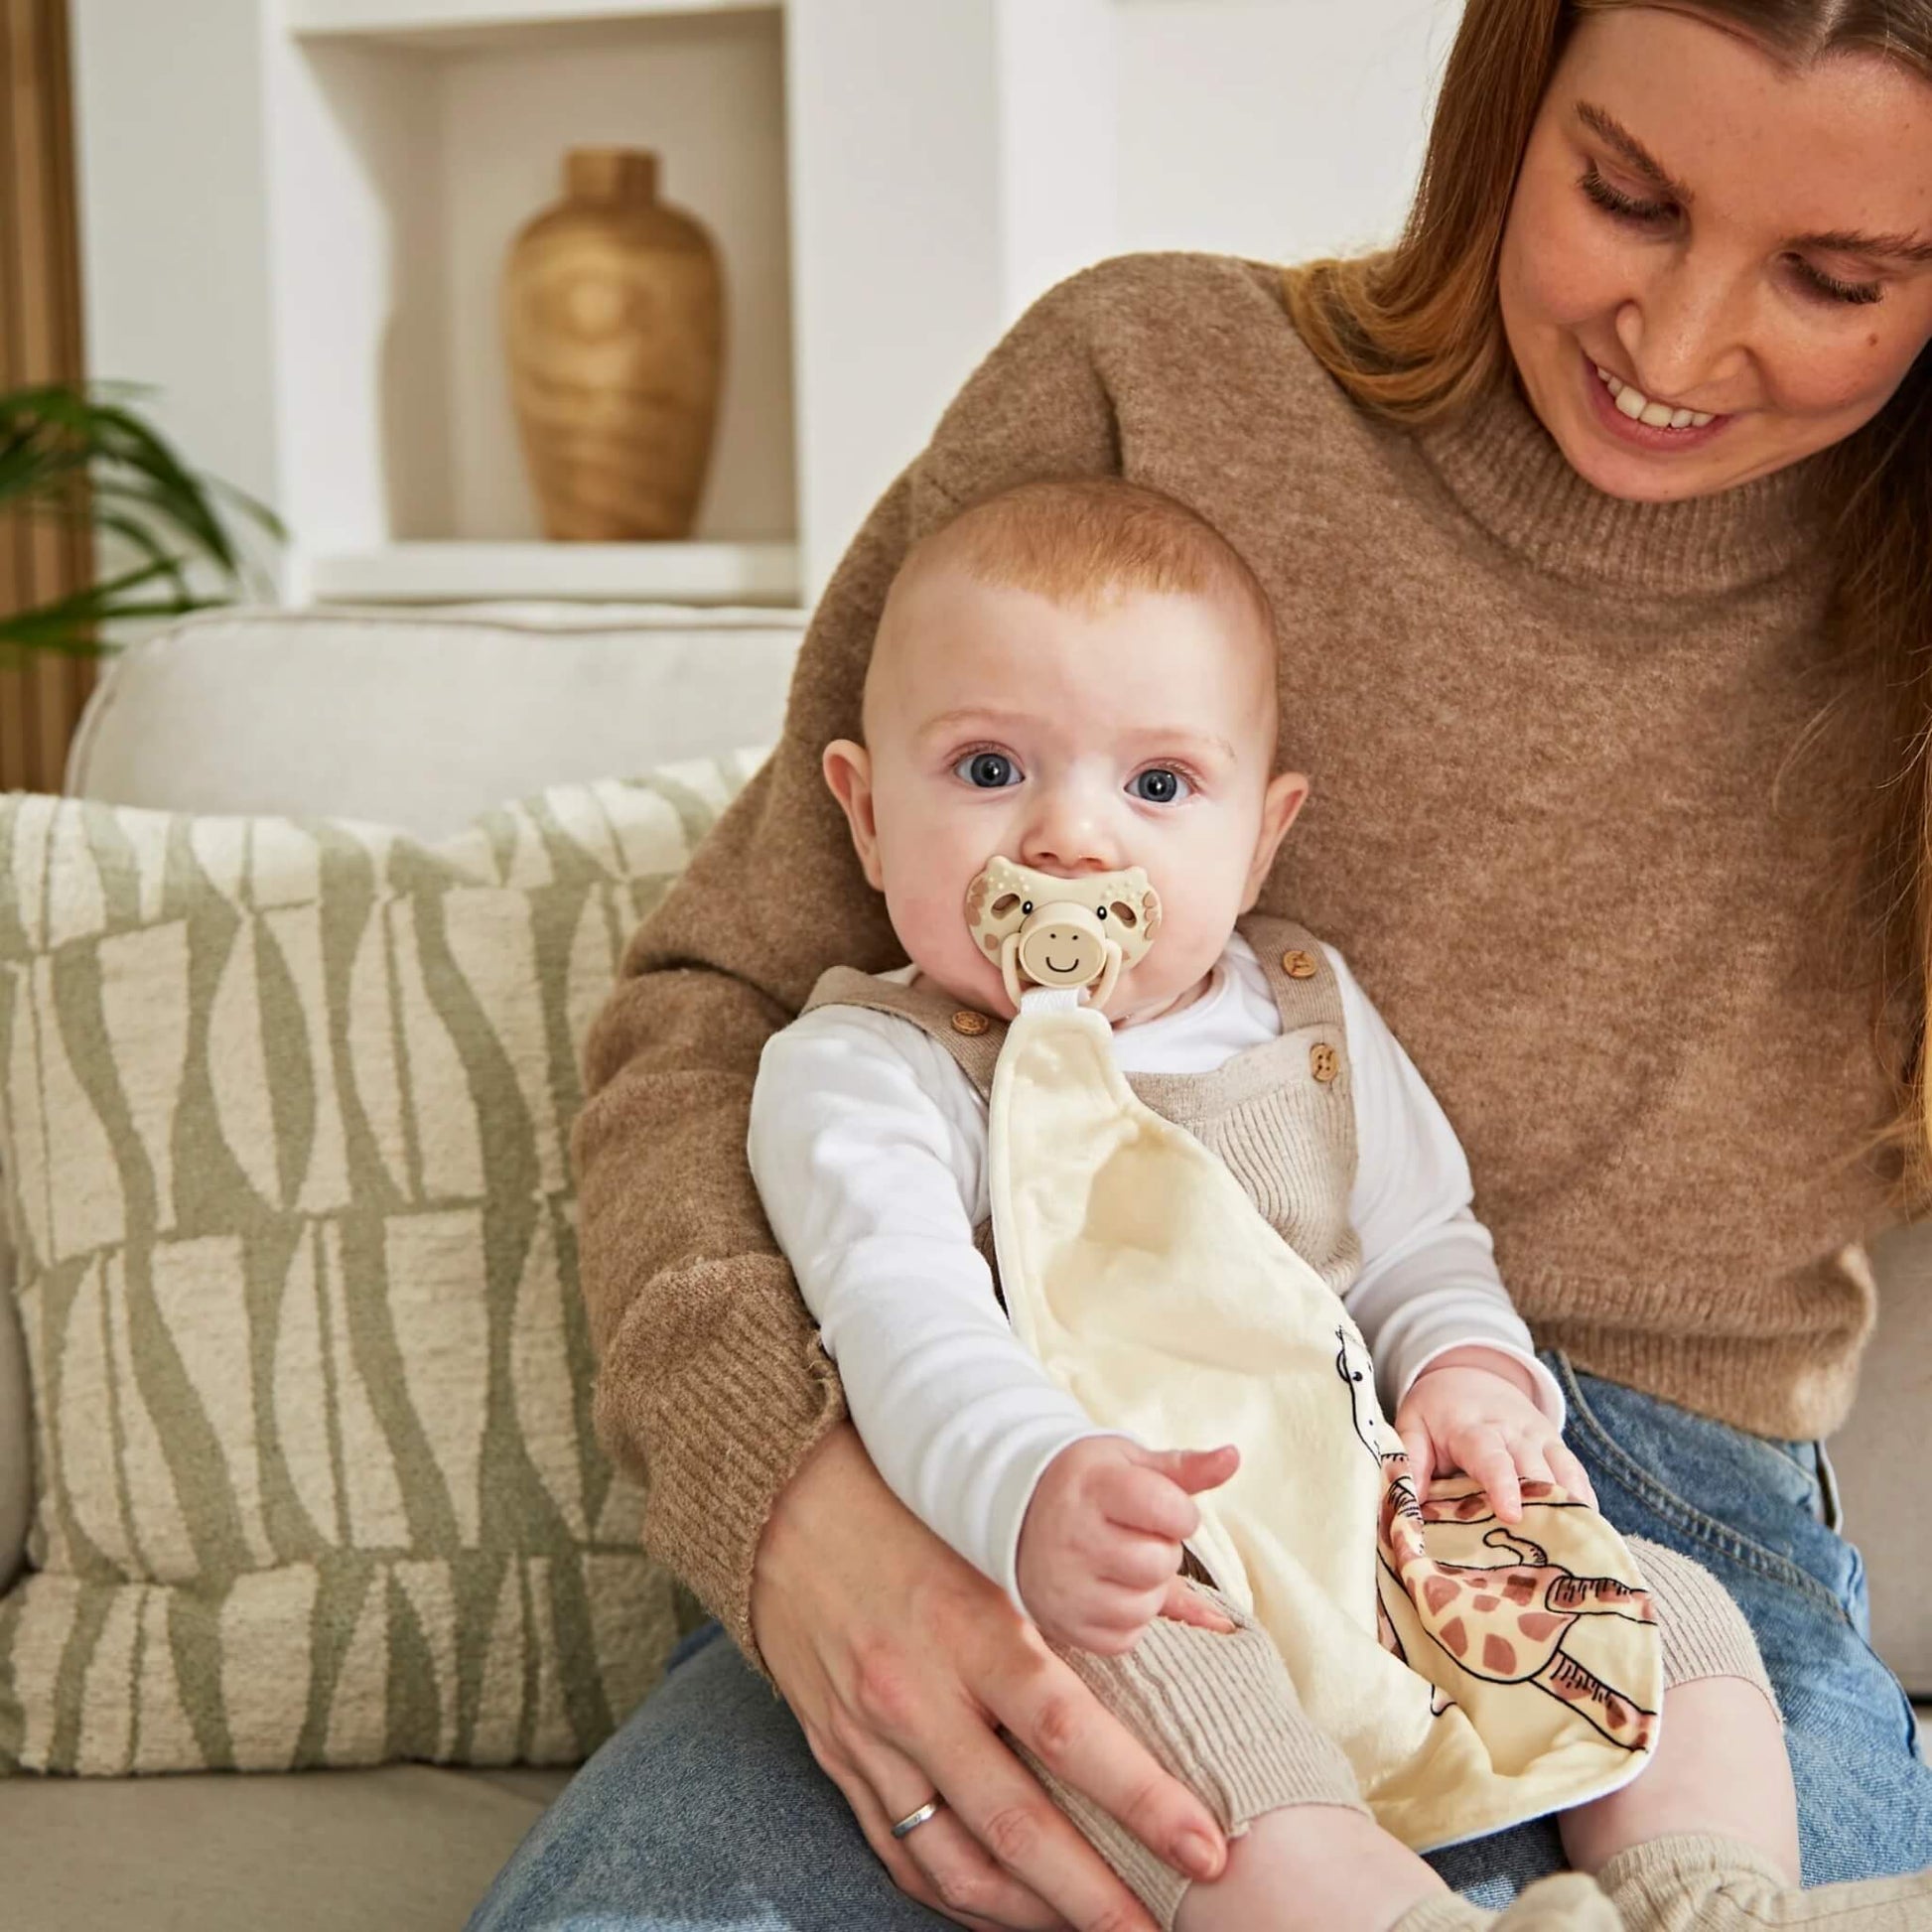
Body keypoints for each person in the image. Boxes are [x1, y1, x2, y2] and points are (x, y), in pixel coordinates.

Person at [468, 5, 1932, 1929]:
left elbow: (1429, 1246)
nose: (1672, 344)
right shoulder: (1143, 387)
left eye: (1835, 278)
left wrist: (1479, 1399)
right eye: (1622, 196)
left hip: (1629, 1505)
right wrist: (799, 1503)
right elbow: (722, 1019)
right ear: (1511, 96)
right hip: (1033, 1461)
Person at [743, 471, 1931, 1932]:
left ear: (1260, 833)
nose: (1068, 839)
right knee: (1184, 1728)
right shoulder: (869, 1068)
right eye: (988, 770)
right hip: (1128, 1559)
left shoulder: (1295, 1008)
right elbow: (903, 1325)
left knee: (1665, 1607)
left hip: (1364, 1509)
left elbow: (1422, 1240)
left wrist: (1469, 1374)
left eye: (1158, 786)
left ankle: (1718, 1903)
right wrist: (1036, 1486)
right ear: (865, 814)